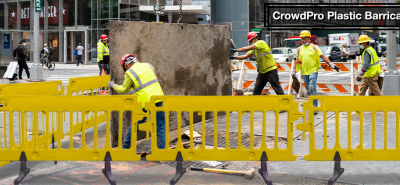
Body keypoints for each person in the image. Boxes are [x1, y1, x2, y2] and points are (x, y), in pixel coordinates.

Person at [108, 54, 165, 149]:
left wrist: (113, 85)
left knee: (135, 124)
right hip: (158, 98)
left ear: (127, 65)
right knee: (160, 126)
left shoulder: (130, 72)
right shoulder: (148, 65)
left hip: (144, 102)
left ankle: (126, 146)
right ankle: (162, 150)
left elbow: (123, 89)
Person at [292, 31, 340, 114]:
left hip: (313, 70)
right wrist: (293, 70)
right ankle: (311, 104)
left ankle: (315, 106)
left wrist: (331, 64)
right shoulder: (299, 49)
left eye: (303, 39)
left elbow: (323, 56)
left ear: (308, 39)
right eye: (301, 39)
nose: (302, 40)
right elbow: (297, 60)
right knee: (308, 89)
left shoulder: (315, 47)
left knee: (312, 87)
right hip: (304, 71)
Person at [230, 32, 285, 96]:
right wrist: (234, 57)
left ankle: (284, 103)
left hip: (270, 70)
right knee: (256, 91)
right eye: (249, 41)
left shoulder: (261, 42)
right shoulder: (254, 49)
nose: (250, 43)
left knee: (277, 89)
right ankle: (255, 104)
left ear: (255, 39)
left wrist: (235, 50)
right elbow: (245, 56)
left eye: (251, 41)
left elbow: (248, 48)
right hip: (262, 72)